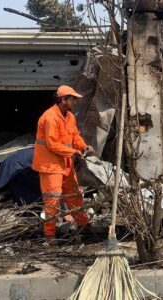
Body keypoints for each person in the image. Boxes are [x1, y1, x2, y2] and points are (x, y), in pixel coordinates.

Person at [32, 86, 95, 243]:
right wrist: (73, 152)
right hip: (50, 166)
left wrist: (83, 146)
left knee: (74, 196)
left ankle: (84, 227)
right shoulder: (50, 118)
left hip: (65, 164)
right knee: (52, 201)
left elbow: (75, 137)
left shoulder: (70, 117)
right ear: (63, 99)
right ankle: (49, 236)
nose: (74, 101)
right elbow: (52, 144)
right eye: (72, 99)